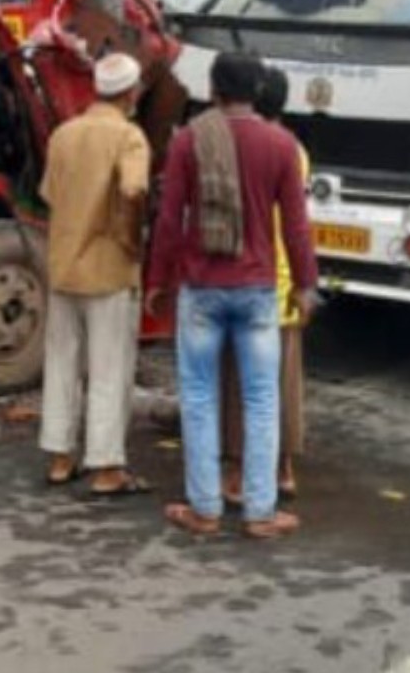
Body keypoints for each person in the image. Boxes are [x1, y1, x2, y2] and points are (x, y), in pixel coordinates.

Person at [148, 50, 318, 539]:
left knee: (199, 397)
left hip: (201, 287)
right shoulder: (281, 145)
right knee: (262, 400)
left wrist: (157, 280)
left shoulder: (189, 140)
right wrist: (306, 286)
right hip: (259, 289)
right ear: (257, 90)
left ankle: (204, 509)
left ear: (214, 89)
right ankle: (260, 513)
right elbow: (297, 228)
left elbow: (170, 218)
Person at [37, 51, 152, 497]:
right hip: (109, 269)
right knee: (109, 367)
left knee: (62, 362)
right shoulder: (129, 137)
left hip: (63, 265)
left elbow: (49, 194)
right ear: (130, 92)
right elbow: (133, 189)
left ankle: (60, 457)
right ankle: (106, 466)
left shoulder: (63, 135)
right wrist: (130, 241)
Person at [220, 65, 310, 503]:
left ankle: (237, 474)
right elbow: (297, 227)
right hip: (283, 286)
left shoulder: (236, 147)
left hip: (241, 283)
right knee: (281, 382)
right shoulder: (296, 150)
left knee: (239, 384)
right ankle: (283, 469)